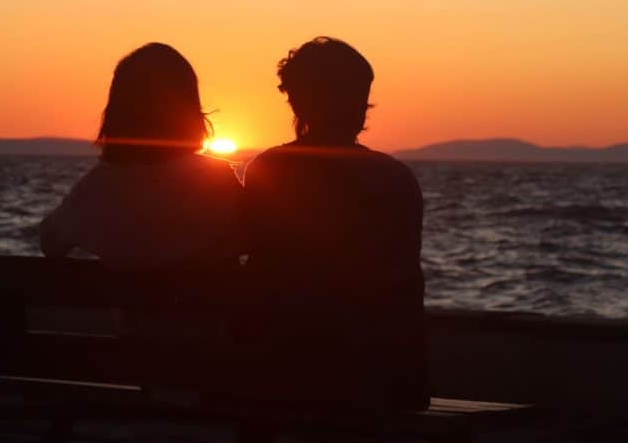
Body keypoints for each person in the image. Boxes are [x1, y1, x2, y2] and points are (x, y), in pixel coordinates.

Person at [242, 36, 427, 411]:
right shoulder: (394, 177)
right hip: (376, 377)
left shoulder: (268, 170)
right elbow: (406, 286)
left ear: (295, 100)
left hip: (279, 370)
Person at [40, 43, 242, 271]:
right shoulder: (217, 181)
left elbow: (50, 243)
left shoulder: (94, 189)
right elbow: (255, 240)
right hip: (202, 305)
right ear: (188, 109)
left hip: (128, 306)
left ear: (116, 112)